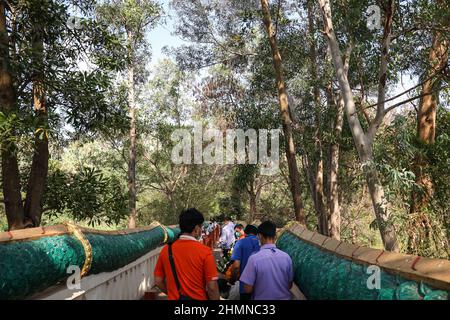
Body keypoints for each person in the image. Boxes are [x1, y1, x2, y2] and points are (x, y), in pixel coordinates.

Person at [154, 208, 220, 300]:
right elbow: (212, 288)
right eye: (201, 227)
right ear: (196, 229)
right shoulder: (205, 252)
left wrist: (173, 295)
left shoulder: (167, 250)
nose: (201, 230)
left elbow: (158, 281)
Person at [239, 221, 294, 300]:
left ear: (260, 236)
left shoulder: (254, 259)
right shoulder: (286, 257)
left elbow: (248, 289)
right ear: (275, 236)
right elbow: (289, 285)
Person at [230, 224, 260, 300]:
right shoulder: (262, 243)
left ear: (245, 232)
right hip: (261, 286)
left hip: (245, 285)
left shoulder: (240, 243)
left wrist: (232, 279)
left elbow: (236, 266)